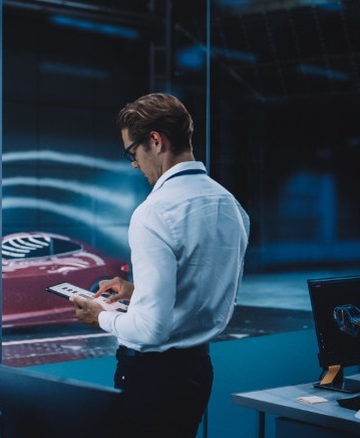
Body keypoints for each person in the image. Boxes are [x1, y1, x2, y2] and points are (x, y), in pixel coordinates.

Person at [71, 92, 250, 437]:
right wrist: (138, 292)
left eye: (132, 152)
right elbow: (201, 290)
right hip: (197, 372)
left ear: (155, 141)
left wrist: (101, 317)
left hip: (152, 379)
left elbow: (152, 331)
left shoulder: (154, 212)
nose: (134, 164)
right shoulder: (231, 207)